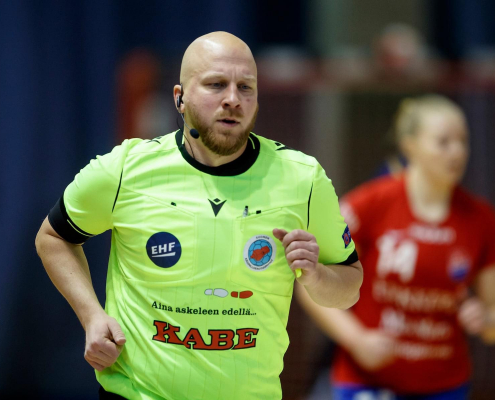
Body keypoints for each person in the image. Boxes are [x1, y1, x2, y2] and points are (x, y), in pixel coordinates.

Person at [35, 32, 363, 400]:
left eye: (246, 87)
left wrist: (317, 276)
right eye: (216, 84)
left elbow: (350, 287)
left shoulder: (303, 179)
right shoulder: (126, 169)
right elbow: (53, 237)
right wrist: (92, 316)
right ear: (180, 97)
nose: (232, 99)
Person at [298, 94, 495, 400]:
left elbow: (492, 319)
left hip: (445, 385)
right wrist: (357, 339)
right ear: (410, 145)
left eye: (463, 141)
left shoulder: (481, 219)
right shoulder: (370, 203)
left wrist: (485, 319)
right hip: (367, 381)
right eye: (444, 142)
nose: (457, 152)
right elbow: (311, 282)